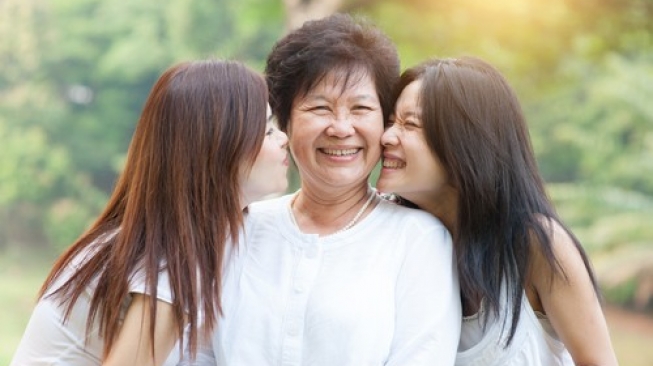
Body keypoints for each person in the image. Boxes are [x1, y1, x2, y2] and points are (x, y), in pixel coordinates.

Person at [189, 13, 461, 366]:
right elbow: (197, 354)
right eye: (320, 108)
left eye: (361, 108)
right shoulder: (239, 228)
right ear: (284, 123)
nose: (341, 128)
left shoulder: (418, 239)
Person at [10, 59, 289, 366]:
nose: (284, 139)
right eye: (266, 131)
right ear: (220, 149)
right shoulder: (172, 259)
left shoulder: (174, 238)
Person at [376, 57, 618, 366]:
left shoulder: (535, 244)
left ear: (464, 143)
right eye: (390, 121)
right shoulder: (393, 236)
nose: (386, 136)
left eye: (409, 124)